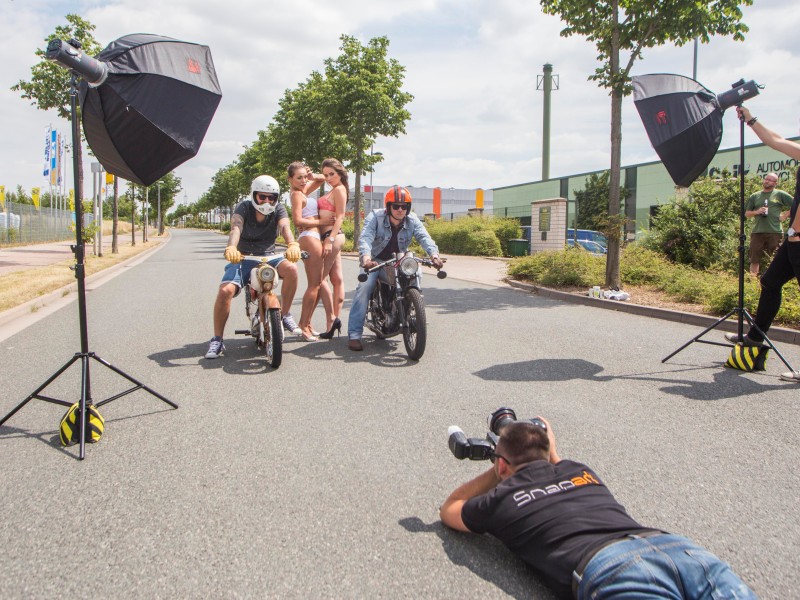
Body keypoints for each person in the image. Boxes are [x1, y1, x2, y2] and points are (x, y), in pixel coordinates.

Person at [440, 419, 757, 599]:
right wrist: (546, 446)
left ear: (502, 465)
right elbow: (555, 458)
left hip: (613, 568)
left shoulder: (501, 499)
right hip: (681, 551)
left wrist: (497, 469)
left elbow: (450, 508)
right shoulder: (579, 470)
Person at [724, 106, 800, 382]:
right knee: (769, 282)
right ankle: (755, 338)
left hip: (798, 239)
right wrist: (751, 120)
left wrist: (795, 231)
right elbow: (775, 140)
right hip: (793, 240)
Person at [204, 175, 302, 359]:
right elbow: (236, 227)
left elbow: (285, 227)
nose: (266, 201)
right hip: (244, 257)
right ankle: (217, 340)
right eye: (262, 197)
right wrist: (231, 247)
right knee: (225, 291)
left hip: (270, 256)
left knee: (292, 270)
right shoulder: (244, 207)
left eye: (271, 197)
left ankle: (286, 314)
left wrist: (292, 244)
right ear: (254, 195)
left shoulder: (279, 209)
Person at [347, 186, 443, 351]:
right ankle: (354, 334)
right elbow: (366, 238)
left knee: (416, 274)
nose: (400, 209)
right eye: (396, 206)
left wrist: (434, 255)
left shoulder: (412, 220)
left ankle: (412, 310)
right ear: (388, 206)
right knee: (365, 287)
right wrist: (366, 258)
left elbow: (424, 237)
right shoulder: (375, 217)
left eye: (404, 206)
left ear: (408, 207)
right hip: (375, 261)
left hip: (400, 260)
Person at [288, 162, 335, 342]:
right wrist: (321, 223)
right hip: (309, 237)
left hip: (314, 237)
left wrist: (311, 176)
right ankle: (302, 325)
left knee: (317, 283)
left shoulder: (302, 191)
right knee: (314, 284)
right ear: (290, 179)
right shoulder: (296, 195)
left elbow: (323, 179)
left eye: (304, 177)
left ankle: (307, 323)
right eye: (298, 178)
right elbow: (298, 221)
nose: (302, 180)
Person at [315, 158, 349, 339]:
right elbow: (320, 176)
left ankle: (332, 319)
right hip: (328, 236)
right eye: (326, 175)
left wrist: (330, 239)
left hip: (332, 237)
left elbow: (341, 216)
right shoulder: (335, 188)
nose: (327, 178)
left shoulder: (339, 189)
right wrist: (315, 175)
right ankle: (333, 323)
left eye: (331, 174)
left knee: (319, 280)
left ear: (340, 173)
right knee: (336, 278)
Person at [744, 172, 792, 276]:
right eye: (766, 179)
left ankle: (772, 281)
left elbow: (796, 204)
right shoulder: (755, 196)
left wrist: (785, 215)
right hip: (757, 232)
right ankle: (752, 283)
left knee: (775, 259)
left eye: (770, 180)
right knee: (754, 259)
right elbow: (747, 213)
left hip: (775, 232)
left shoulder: (779, 194)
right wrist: (757, 212)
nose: (767, 181)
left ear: (775, 183)